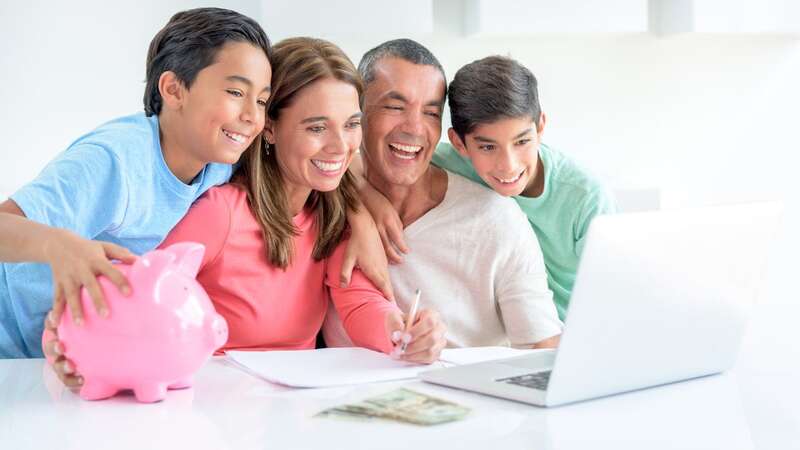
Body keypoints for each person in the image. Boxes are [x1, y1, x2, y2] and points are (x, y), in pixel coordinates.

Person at [44, 37, 447, 388]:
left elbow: (360, 302)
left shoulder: (336, 213)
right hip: (206, 403)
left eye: (351, 124)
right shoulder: (223, 212)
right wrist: (66, 342)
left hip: (293, 410)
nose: (340, 146)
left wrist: (401, 331)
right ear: (269, 127)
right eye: (316, 128)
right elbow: (141, 295)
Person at [0, 8, 391, 359]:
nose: (250, 117)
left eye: (260, 101)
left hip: (62, 352)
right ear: (173, 89)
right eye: (236, 92)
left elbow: (330, 159)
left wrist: (361, 215)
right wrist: (62, 245)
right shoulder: (117, 159)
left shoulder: (219, 161)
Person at [324, 40, 562, 350]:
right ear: (357, 110)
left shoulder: (495, 219)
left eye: (431, 112)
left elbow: (541, 347)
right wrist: (359, 202)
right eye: (395, 107)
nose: (414, 128)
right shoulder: (323, 195)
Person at [432, 55, 616, 320]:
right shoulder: (449, 162)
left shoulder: (587, 199)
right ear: (459, 144)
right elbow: (365, 161)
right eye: (487, 147)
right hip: (509, 339)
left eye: (522, 142)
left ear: (540, 127)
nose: (508, 166)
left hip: (574, 335)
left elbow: (618, 297)